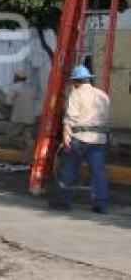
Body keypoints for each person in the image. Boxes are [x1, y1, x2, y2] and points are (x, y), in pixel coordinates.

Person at [51, 65, 111, 214]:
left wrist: (65, 136)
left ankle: (64, 201)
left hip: (79, 138)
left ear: (76, 81)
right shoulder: (103, 95)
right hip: (99, 139)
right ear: (89, 79)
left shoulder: (76, 94)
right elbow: (107, 118)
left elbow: (70, 118)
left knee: (69, 169)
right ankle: (101, 204)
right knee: (98, 173)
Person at [5, 70, 37, 162]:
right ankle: (27, 158)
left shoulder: (14, 87)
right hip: (30, 119)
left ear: (16, 78)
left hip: (18, 118)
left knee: (10, 135)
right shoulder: (30, 88)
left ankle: (15, 154)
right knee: (28, 139)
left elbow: (8, 102)